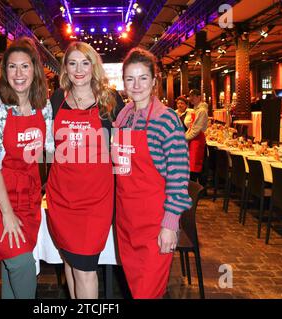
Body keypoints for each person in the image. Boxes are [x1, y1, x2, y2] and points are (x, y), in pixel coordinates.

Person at [0, 37, 54, 299]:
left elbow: (49, 151)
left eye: (25, 66)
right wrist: (6, 213)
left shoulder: (44, 105)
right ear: (4, 72)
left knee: (11, 263)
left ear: (35, 70)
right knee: (22, 263)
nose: (19, 74)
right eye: (12, 67)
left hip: (26, 194)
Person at [46, 42, 124, 299]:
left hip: (95, 200)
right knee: (69, 261)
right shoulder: (57, 98)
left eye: (85, 62)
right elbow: (48, 147)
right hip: (61, 197)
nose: (79, 69)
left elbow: (127, 146)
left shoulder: (111, 99)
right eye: (72, 63)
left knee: (85, 268)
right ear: (65, 69)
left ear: (94, 66)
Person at [112, 48, 192, 298]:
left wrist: (170, 224)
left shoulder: (166, 120)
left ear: (154, 81)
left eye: (143, 78)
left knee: (147, 292)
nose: (136, 85)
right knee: (135, 290)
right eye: (130, 79)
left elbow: (179, 179)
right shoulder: (123, 118)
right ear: (123, 82)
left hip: (154, 226)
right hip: (126, 224)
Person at [187, 89, 209, 183]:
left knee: (195, 166)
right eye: (190, 96)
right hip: (193, 139)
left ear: (199, 97)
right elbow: (192, 127)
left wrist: (184, 138)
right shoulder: (195, 110)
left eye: (193, 96)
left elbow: (196, 129)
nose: (191, 98)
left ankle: (195, 190)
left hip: (197, 139)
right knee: (192, 165)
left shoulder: (202, 111)